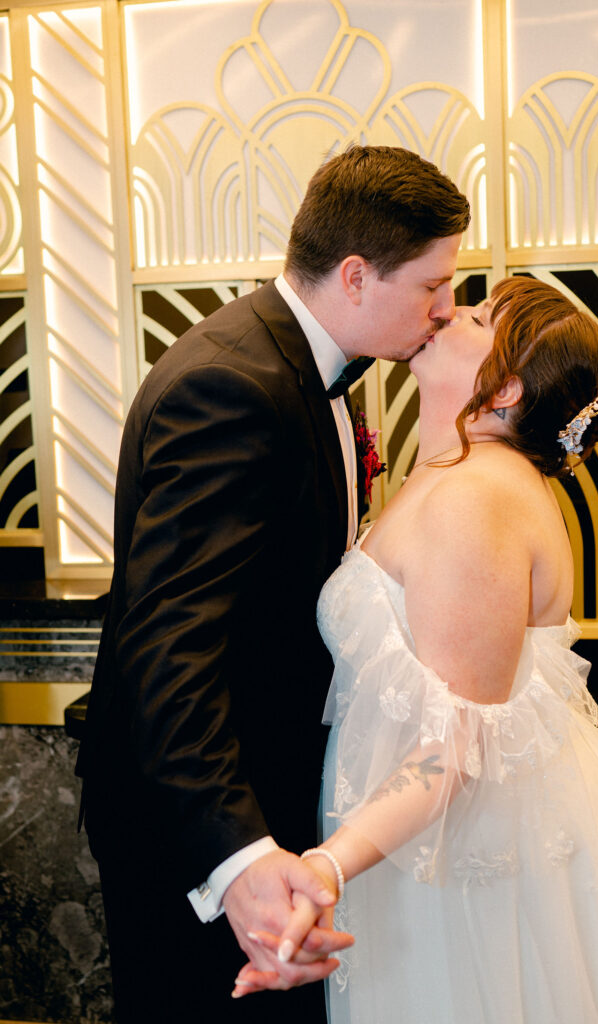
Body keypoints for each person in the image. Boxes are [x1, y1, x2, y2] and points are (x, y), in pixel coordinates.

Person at [241, 276, 598, 1022]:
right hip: (420, 838)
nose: (449, 311)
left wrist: (327, 865)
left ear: (507, 387)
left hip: (464, 856)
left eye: (479, 317)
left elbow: (452, 744)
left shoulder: (477, 499)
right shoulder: (457, 474)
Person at [74, 144, 470, 1024]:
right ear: (358, 276)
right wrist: (238, 853)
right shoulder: (231, 385)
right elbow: (167, 645)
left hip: (269, 782)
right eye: (433, 286)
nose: (445, 312)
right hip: (194, 818)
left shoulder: (307, 365)